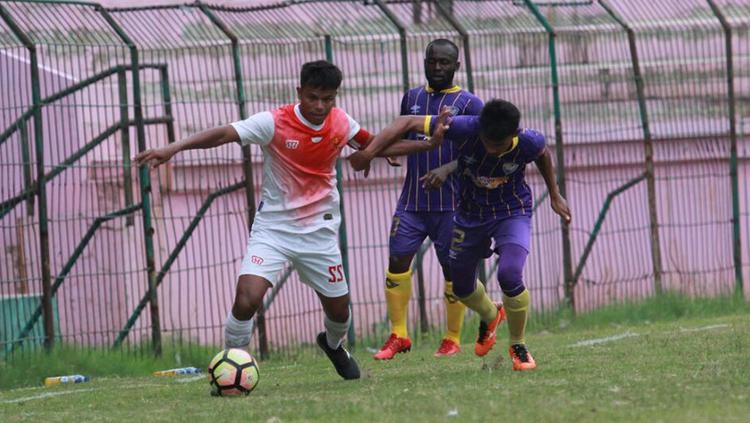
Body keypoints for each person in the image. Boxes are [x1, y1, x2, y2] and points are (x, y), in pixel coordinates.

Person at [134, 60, 441, 380]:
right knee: (246, 298)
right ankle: (228, 367)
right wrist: (173, 147)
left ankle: (334, 345)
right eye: (313, 97)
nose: (320, 106)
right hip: (274, 229)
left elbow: (375, 143)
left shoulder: (340, 122)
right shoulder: (274, 122)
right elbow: (225, 133)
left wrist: (423, 145)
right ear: (299, 92)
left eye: (328, 99)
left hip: (319, 231)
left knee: (339, 312)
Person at [348, 99, 572, 371]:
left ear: (513, 135)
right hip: (469, 216)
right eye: (486, 142)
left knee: (510, 274)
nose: (490, 149)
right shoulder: (464, 126)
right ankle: (491, 315)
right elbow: (405, 121)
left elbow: (544, 154)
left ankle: (518, 345)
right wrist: (370, 151)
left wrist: (555, 193)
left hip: (511, 212)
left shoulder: (529, 141)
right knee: (462, 287)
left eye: (497, 146)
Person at [372, 39, 485, 360]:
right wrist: (389, 151)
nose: (437, 68)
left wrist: (447, 169)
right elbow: (402, 134)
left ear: (456, 66)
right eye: (432, 61)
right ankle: (398, 335)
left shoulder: (470, 104)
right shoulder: (412, 97)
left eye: (444, 63)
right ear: (424, 62)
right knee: (396, 262)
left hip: (451, 206)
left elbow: (480, 154)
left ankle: (451, 338)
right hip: (411, 203)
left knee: (453, 271)